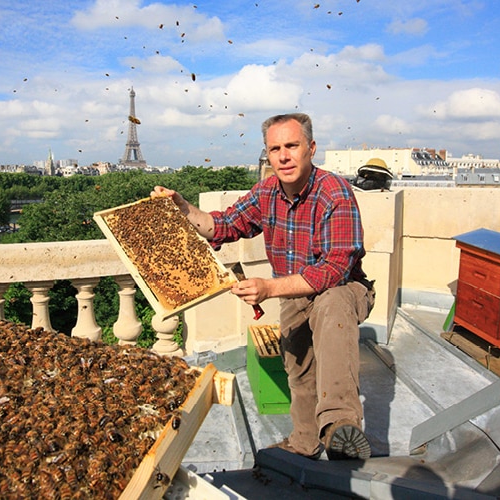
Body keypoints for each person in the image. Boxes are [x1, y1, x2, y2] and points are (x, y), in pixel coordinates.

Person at [152, 112, 375, 461]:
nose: (283, 156)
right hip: (295, 293)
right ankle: (305, 441)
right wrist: (183, 208)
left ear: (311, 148)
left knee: (332, 307)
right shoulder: (267, 191)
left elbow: (333, 270)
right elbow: (223, 225)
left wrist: (269, 288)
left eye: (292, 145)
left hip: (344, 289)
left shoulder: (335, 193)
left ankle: (340, 429)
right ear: (268, 155)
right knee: (299, 369)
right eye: (274, 149)